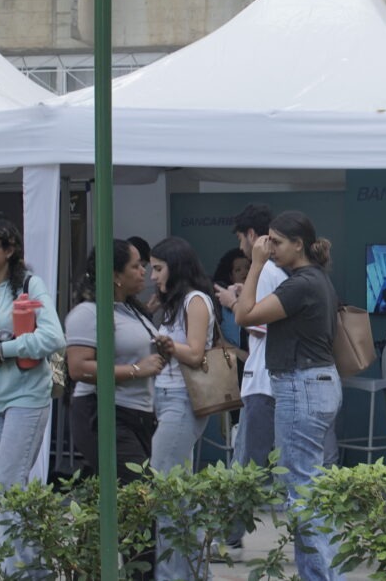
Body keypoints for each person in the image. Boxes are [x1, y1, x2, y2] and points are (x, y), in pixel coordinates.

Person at [234, 211, 345, 580]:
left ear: (298, 244)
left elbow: (244, 315)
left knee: (302, 492)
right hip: (315, 383)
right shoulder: (315, 279)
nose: (270, 248)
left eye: (276, 241)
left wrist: (255, 264)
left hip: (301, 384)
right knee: (306, 488)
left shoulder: (300, 284)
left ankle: (325, 576)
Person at [0, 219, 65, 578]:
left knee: (9, 487)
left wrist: (6, 349)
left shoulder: (28, 285)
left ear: (9, 250)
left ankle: (24, 573)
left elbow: (54, 338)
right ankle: (29, 570)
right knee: (3, 492)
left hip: (25, 396)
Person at [214, 204, 291, 559]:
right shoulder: (276, 272)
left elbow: (265, 326)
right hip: (268, 383)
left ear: (250, 236)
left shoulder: (270, 273)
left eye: (240, 239)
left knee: (245, 469)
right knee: (266, 468)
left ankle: (229, 542)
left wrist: (233, 303)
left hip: (264, 385)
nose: (241, 248)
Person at [67, 240, 165, 484]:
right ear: (115, 275)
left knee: (134, 499)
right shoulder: (89, 312)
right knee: (140, 493)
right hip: (105, 413)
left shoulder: (130, 310)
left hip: (139, 414)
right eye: (136, 266)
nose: (144, 271)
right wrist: (136, 370)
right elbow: (78, 368)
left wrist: (164, 351)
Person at [149, 236, 218, 581]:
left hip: (183, 400)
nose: (152, 275)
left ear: (175, 267)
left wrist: (167, 346)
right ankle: (187, 571)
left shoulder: (195, 300)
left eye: (158, 268)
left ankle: (175, 574)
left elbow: (194, 353)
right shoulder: (175, 303)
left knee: (168, 493)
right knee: (175, 491)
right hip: (168, 398)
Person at [212, 247, 249, 348]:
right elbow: (217, 340)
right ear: (230, 277)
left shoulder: (260, 298)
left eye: (248, 268)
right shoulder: (221, 303)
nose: (244, 272)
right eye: (238, 270)